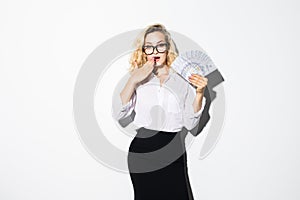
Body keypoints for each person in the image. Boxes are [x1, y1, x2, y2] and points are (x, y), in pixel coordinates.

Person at [113, 24, 207, 200]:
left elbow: (191, 123)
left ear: (167, 48)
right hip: (142, 150)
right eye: (149, 46)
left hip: (173, 148)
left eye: (160, 45)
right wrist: (133, 80)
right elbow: (119, 114)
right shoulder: (138, 77)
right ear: (144, 50)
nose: (155, 50)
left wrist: (200, 92)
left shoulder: (182, 81)